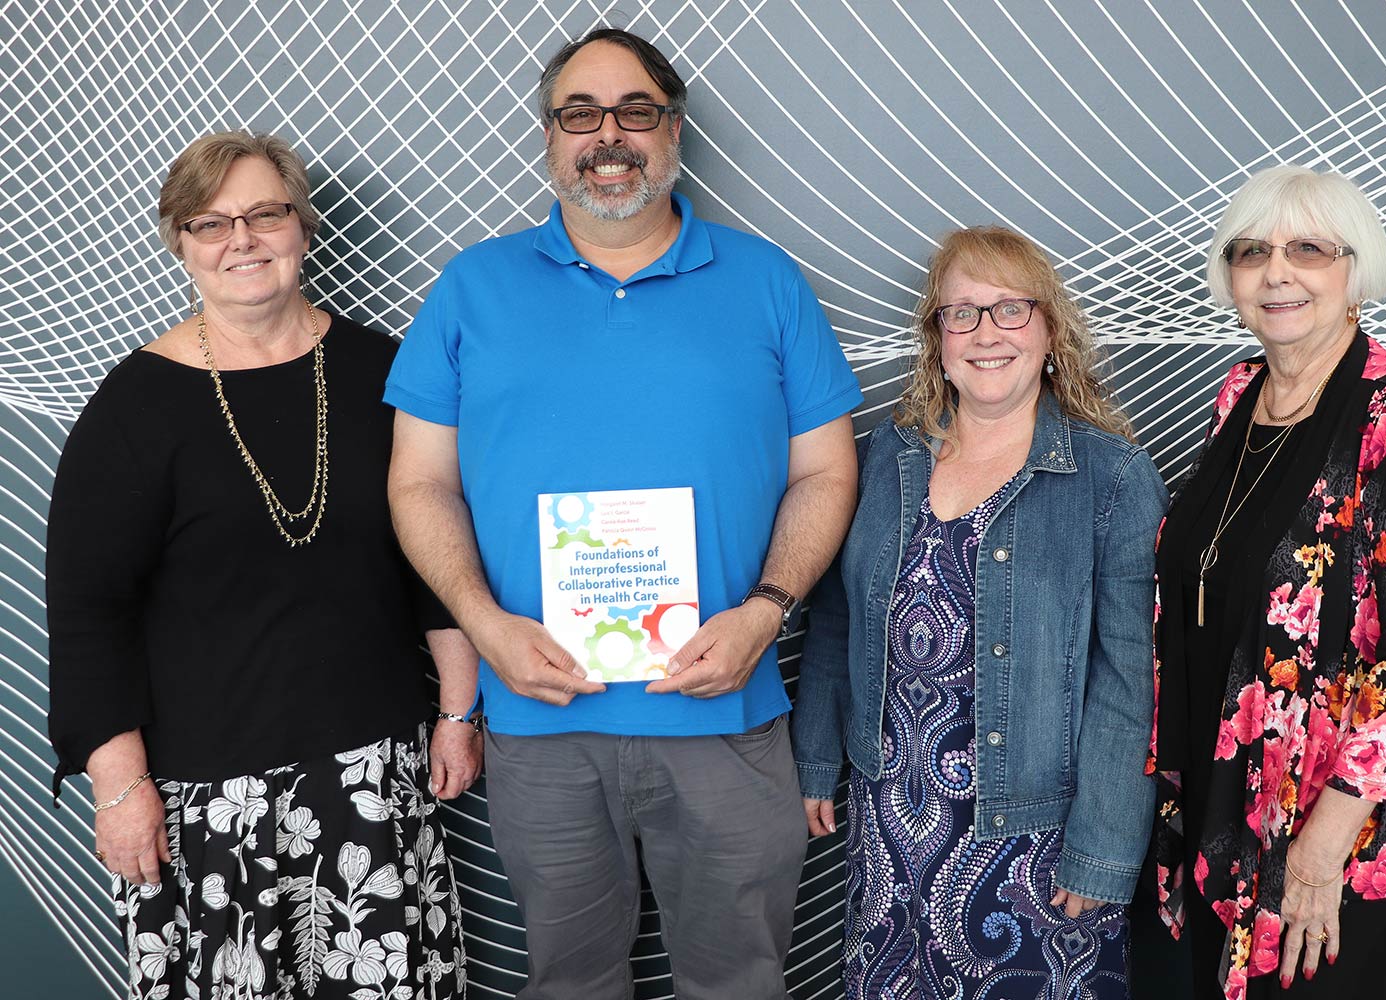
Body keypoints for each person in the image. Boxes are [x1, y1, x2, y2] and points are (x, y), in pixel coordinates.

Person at [383, 27, 863, 1000]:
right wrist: (487, 631)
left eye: (635, 111)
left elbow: (827, 472)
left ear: (674, 129)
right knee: (569, 983)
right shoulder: (472, 288)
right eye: (581, 114)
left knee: (739, 983)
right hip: (542, 717)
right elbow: (417, 484)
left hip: (726, 713)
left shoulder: (766, 280)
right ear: (549, 136)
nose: (610, 135)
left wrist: (764, 611)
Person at [47, 131, 477, 1000]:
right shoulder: (132, 406)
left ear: (302, 227)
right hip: (206, 803)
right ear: (181, 243)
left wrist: (461, 711)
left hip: (371, 781)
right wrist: (120, 789)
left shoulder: (382, 373)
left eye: (264, 214)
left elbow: (435, 559)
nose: (240, 239)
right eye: (210, 223)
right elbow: (89, 613)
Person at [792, 226, 1168, 998]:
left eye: (1010, 310)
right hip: (891, 820)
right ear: (936, 338)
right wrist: (815, 758)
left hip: (1038, 836)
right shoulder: (887, 456)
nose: (985, 333)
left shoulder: (1113, 478)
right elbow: (834, 621)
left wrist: (1102, 849)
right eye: (961, 313)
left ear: (1050, 330)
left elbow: (1131, 684)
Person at [1147, 165, 1386, 999]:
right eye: (1252, 251)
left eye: (1308, 250)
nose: (1276, 272)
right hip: (1231, 801)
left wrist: (1321, 848)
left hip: (1343, 833)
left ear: (1354, 268)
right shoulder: (1241, 392)